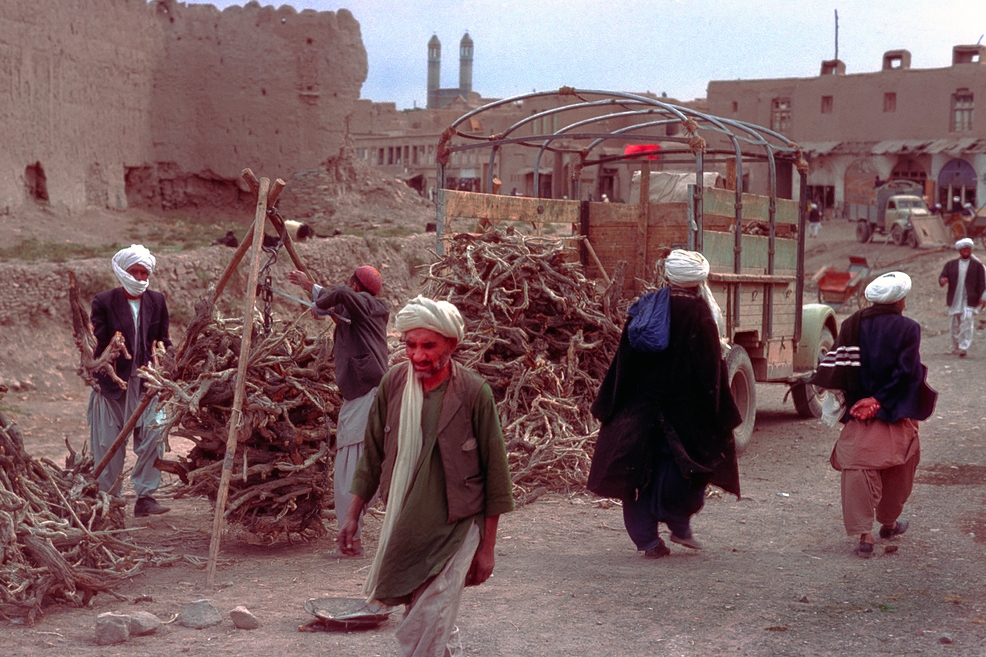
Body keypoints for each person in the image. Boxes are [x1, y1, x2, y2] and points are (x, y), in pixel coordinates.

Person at [337, 296, 514, 656]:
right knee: (430, 615)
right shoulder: (393, 385)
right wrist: (352, 515)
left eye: (428, 345)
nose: (418, 355)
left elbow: (496, 474)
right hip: (408, 524)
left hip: (458, 526)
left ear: (452, 344)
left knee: (427, 618)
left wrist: (488, 547)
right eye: (410, 345)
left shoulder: (474, 393)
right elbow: (372, 455)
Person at [587, 250, 741, 558]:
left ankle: (646, 540)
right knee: (690, 469)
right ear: (699, 281)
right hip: (684, 414)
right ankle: (675, 519)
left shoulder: (645, 307)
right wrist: (719, 414)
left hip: (640, 409)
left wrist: (611, 406)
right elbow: (710, 371)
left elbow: (623, 362)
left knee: (636, 473)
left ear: (668, 277)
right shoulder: (700, 315)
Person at [811, 272, 937, 558]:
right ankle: (889, 523)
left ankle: (865, 536)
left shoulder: (852, 324)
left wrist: (862, 400)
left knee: (860, 470)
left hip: (860, 415)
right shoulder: (909, 328)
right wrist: (879, 399)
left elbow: (839, 364)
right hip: (895, 411)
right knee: (901, 466)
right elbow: (907, 372)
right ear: (900, 300)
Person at [287, 266, 389, 557]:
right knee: (366, 466)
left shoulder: (373, 306)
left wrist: (321, 301)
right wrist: (311, 287)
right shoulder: (361, 311)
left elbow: (342, 295)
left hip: (365, 398)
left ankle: (350, 541)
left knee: (349, 472)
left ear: (356, 287)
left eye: (349, 283)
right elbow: (342, 303)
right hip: (364, 397)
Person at [88, 245, 173, 517]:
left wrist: (170, 364)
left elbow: (162, 338)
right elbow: (98, 342)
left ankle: (145, 497)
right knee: (107, 443)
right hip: (112, 384)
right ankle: (109, 501)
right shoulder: (104, 301)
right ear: (122, 272)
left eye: (143, 272)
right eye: (133, 271)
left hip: (146, 383)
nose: (138, 276)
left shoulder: (156, 300)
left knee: (154, 433)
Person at [939, 237, 986, 358]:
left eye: (967, 250)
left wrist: (983, 298)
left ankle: (963, 347)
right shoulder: (951, 265)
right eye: (963, 250)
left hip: (970, 299)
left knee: (967, 322)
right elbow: (943, 275)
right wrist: (943, 280)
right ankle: (956, 347)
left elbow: (982, 283)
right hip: (954, 299)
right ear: (959, 251)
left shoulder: (977, 266)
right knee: (954, 324)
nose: (965, 252)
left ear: (970, 250)